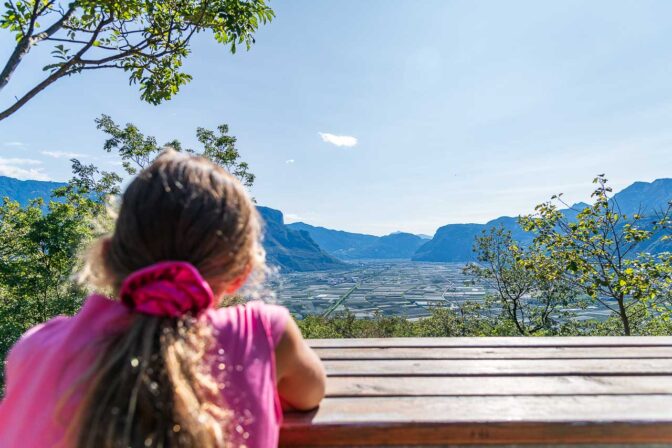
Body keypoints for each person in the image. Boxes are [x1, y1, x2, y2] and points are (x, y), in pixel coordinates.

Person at [0, 150, 326, 448]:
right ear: (241, 274)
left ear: (108, 256)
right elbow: (310, 394)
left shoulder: (34, 349)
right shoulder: (264, 333)